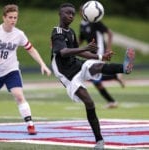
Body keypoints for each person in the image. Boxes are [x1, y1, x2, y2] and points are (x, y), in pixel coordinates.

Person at [50, 3, 135, 149]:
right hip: (66, 73)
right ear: (60, 13)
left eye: (72, 14)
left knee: (97, 66)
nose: (70, 16)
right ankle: (99, 141)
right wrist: (84, 48)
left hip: (76, 64)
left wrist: (100, 56)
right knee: (89, 103)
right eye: (67, 13)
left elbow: (79, 51)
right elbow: (63, 52)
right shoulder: (57, 32)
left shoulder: (71, 32)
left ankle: (125, 68)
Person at [0, 4, 51, 135]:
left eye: (15, 17)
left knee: (19, 95)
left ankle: (30, 125)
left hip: (11, 70)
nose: (13, 20)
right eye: (10, 17)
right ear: (3, 17)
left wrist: (42, 64)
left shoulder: (19, 34)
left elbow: (31, 50)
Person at [79, 9, 125, 108]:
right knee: (94, 79)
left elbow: (110, 33)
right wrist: (73, 49)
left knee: (92, 76)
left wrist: (108, 48)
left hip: (99, 51)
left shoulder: (95, 21)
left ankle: (116, 75)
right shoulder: (82, 24)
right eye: (81, 11)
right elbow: (81, 39)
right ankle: (112, 99)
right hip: (90, 54)